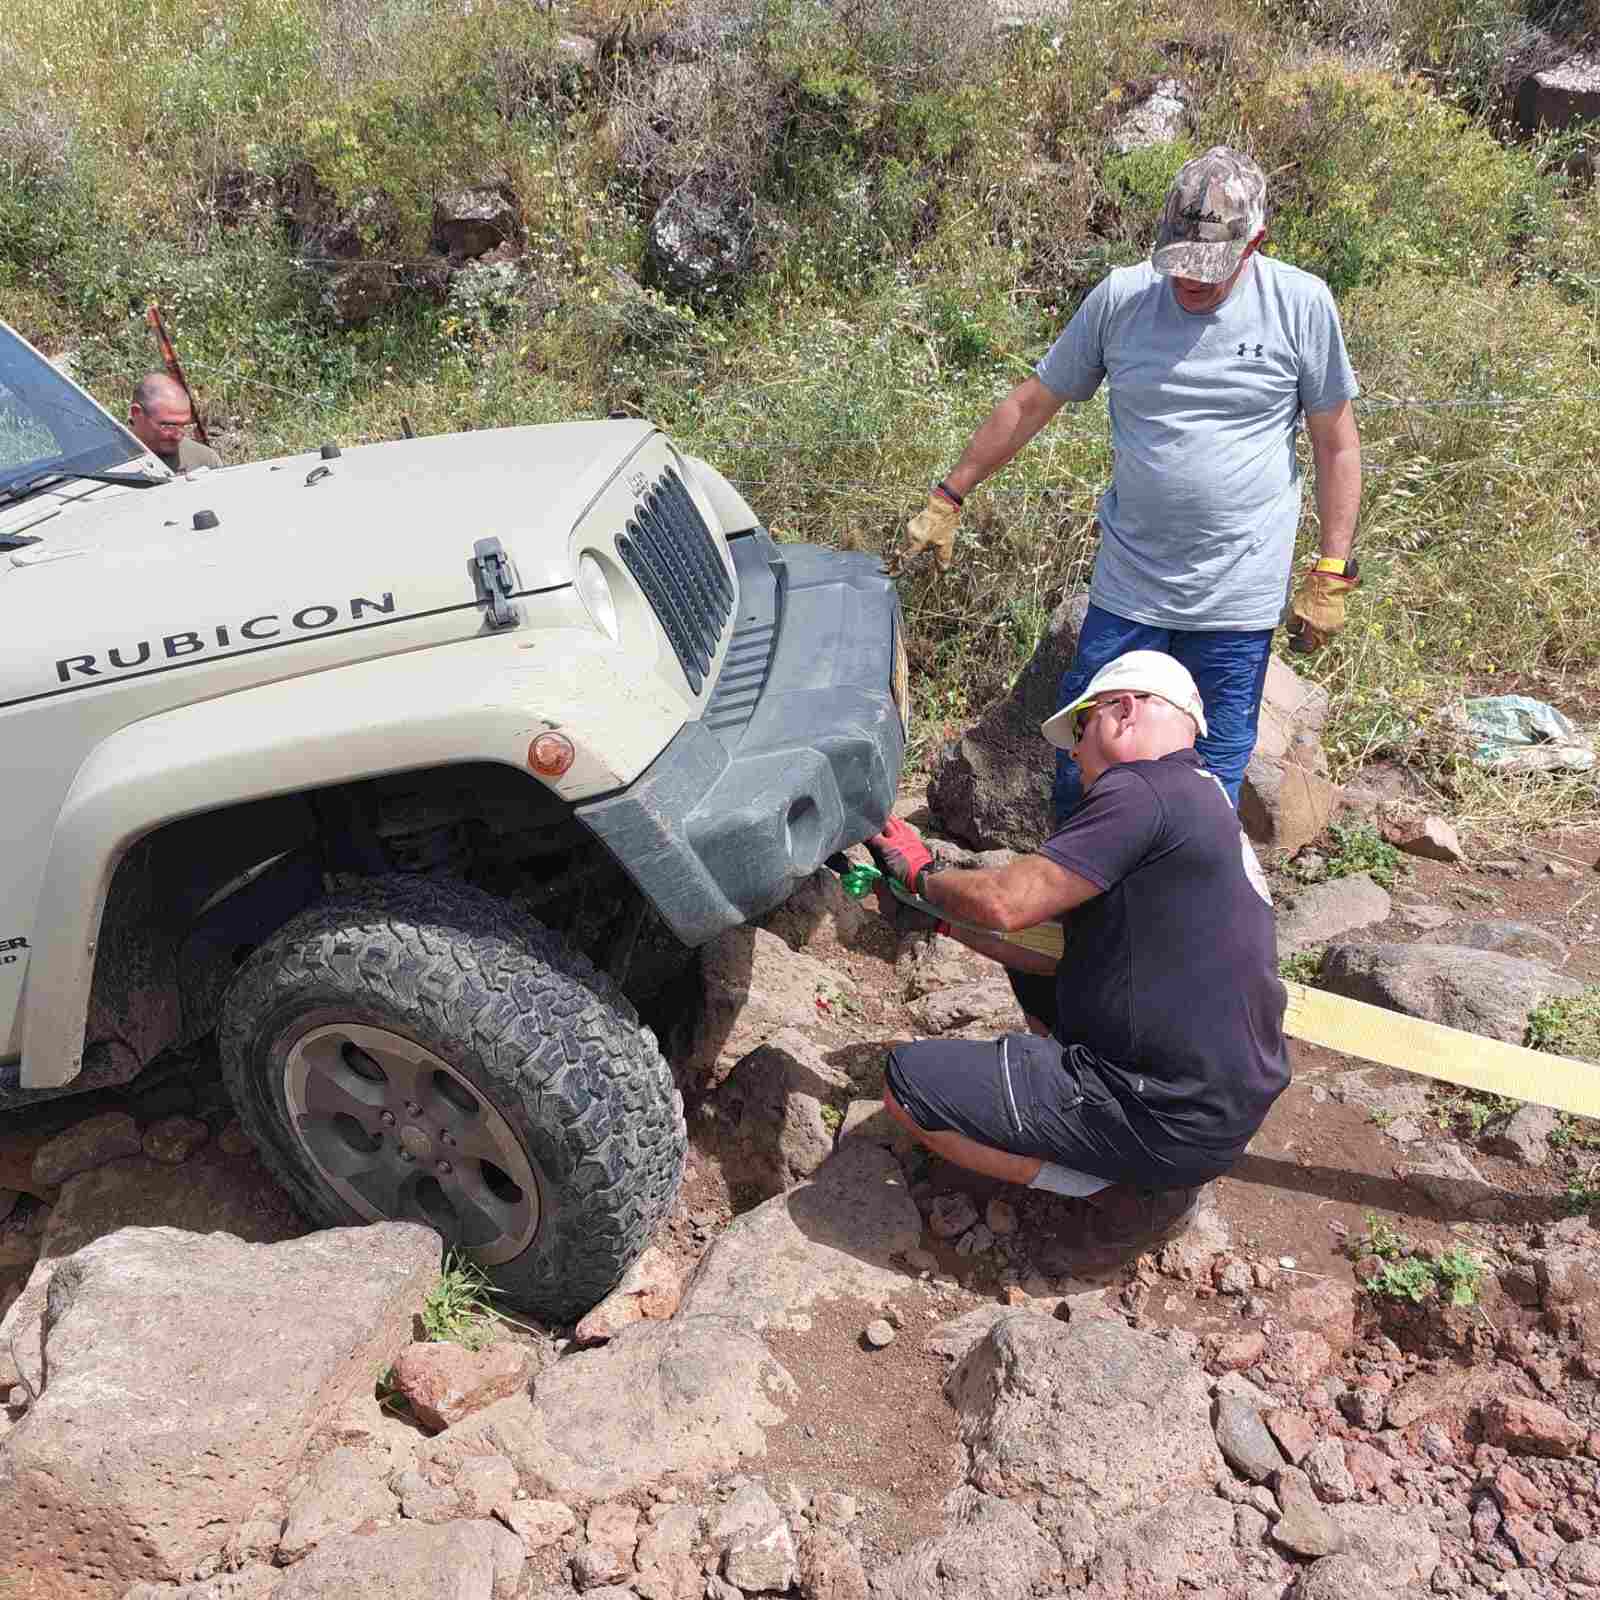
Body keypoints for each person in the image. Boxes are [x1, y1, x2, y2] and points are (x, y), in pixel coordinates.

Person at [903, 146, 1362, 824]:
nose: (1191, 282)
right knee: (1088, 758)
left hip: (1238, 594)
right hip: (1131, 585)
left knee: (1211, 772)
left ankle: (1183, 913)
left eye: (1209, 268)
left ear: (1254, 242)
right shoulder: (1122, 299)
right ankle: (1083, 905)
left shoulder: (1300, 304)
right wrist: (951, 493)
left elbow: (1336, 441)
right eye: (1179, 263)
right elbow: (1033, 402)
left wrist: (1331, 568)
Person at [867, 650, 1288, 1266]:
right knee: (1039, 961)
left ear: (1122, 712)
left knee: (908, 1090)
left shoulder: (1141, 789)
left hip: (1162, 1109)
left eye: (1080, 730)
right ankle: (1113, 1143)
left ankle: (1123, 1191)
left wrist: (922, 875)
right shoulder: (1202, 801)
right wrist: (936, 920)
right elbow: (1044, 947)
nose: (1072, 752)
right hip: (1218, 1105)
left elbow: (1010, 902)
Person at [128, 373, 222, 472]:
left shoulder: (204, 460)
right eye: (168, 425)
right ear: (137, 414)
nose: (177, 436)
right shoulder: (112, 459)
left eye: (184, 425)